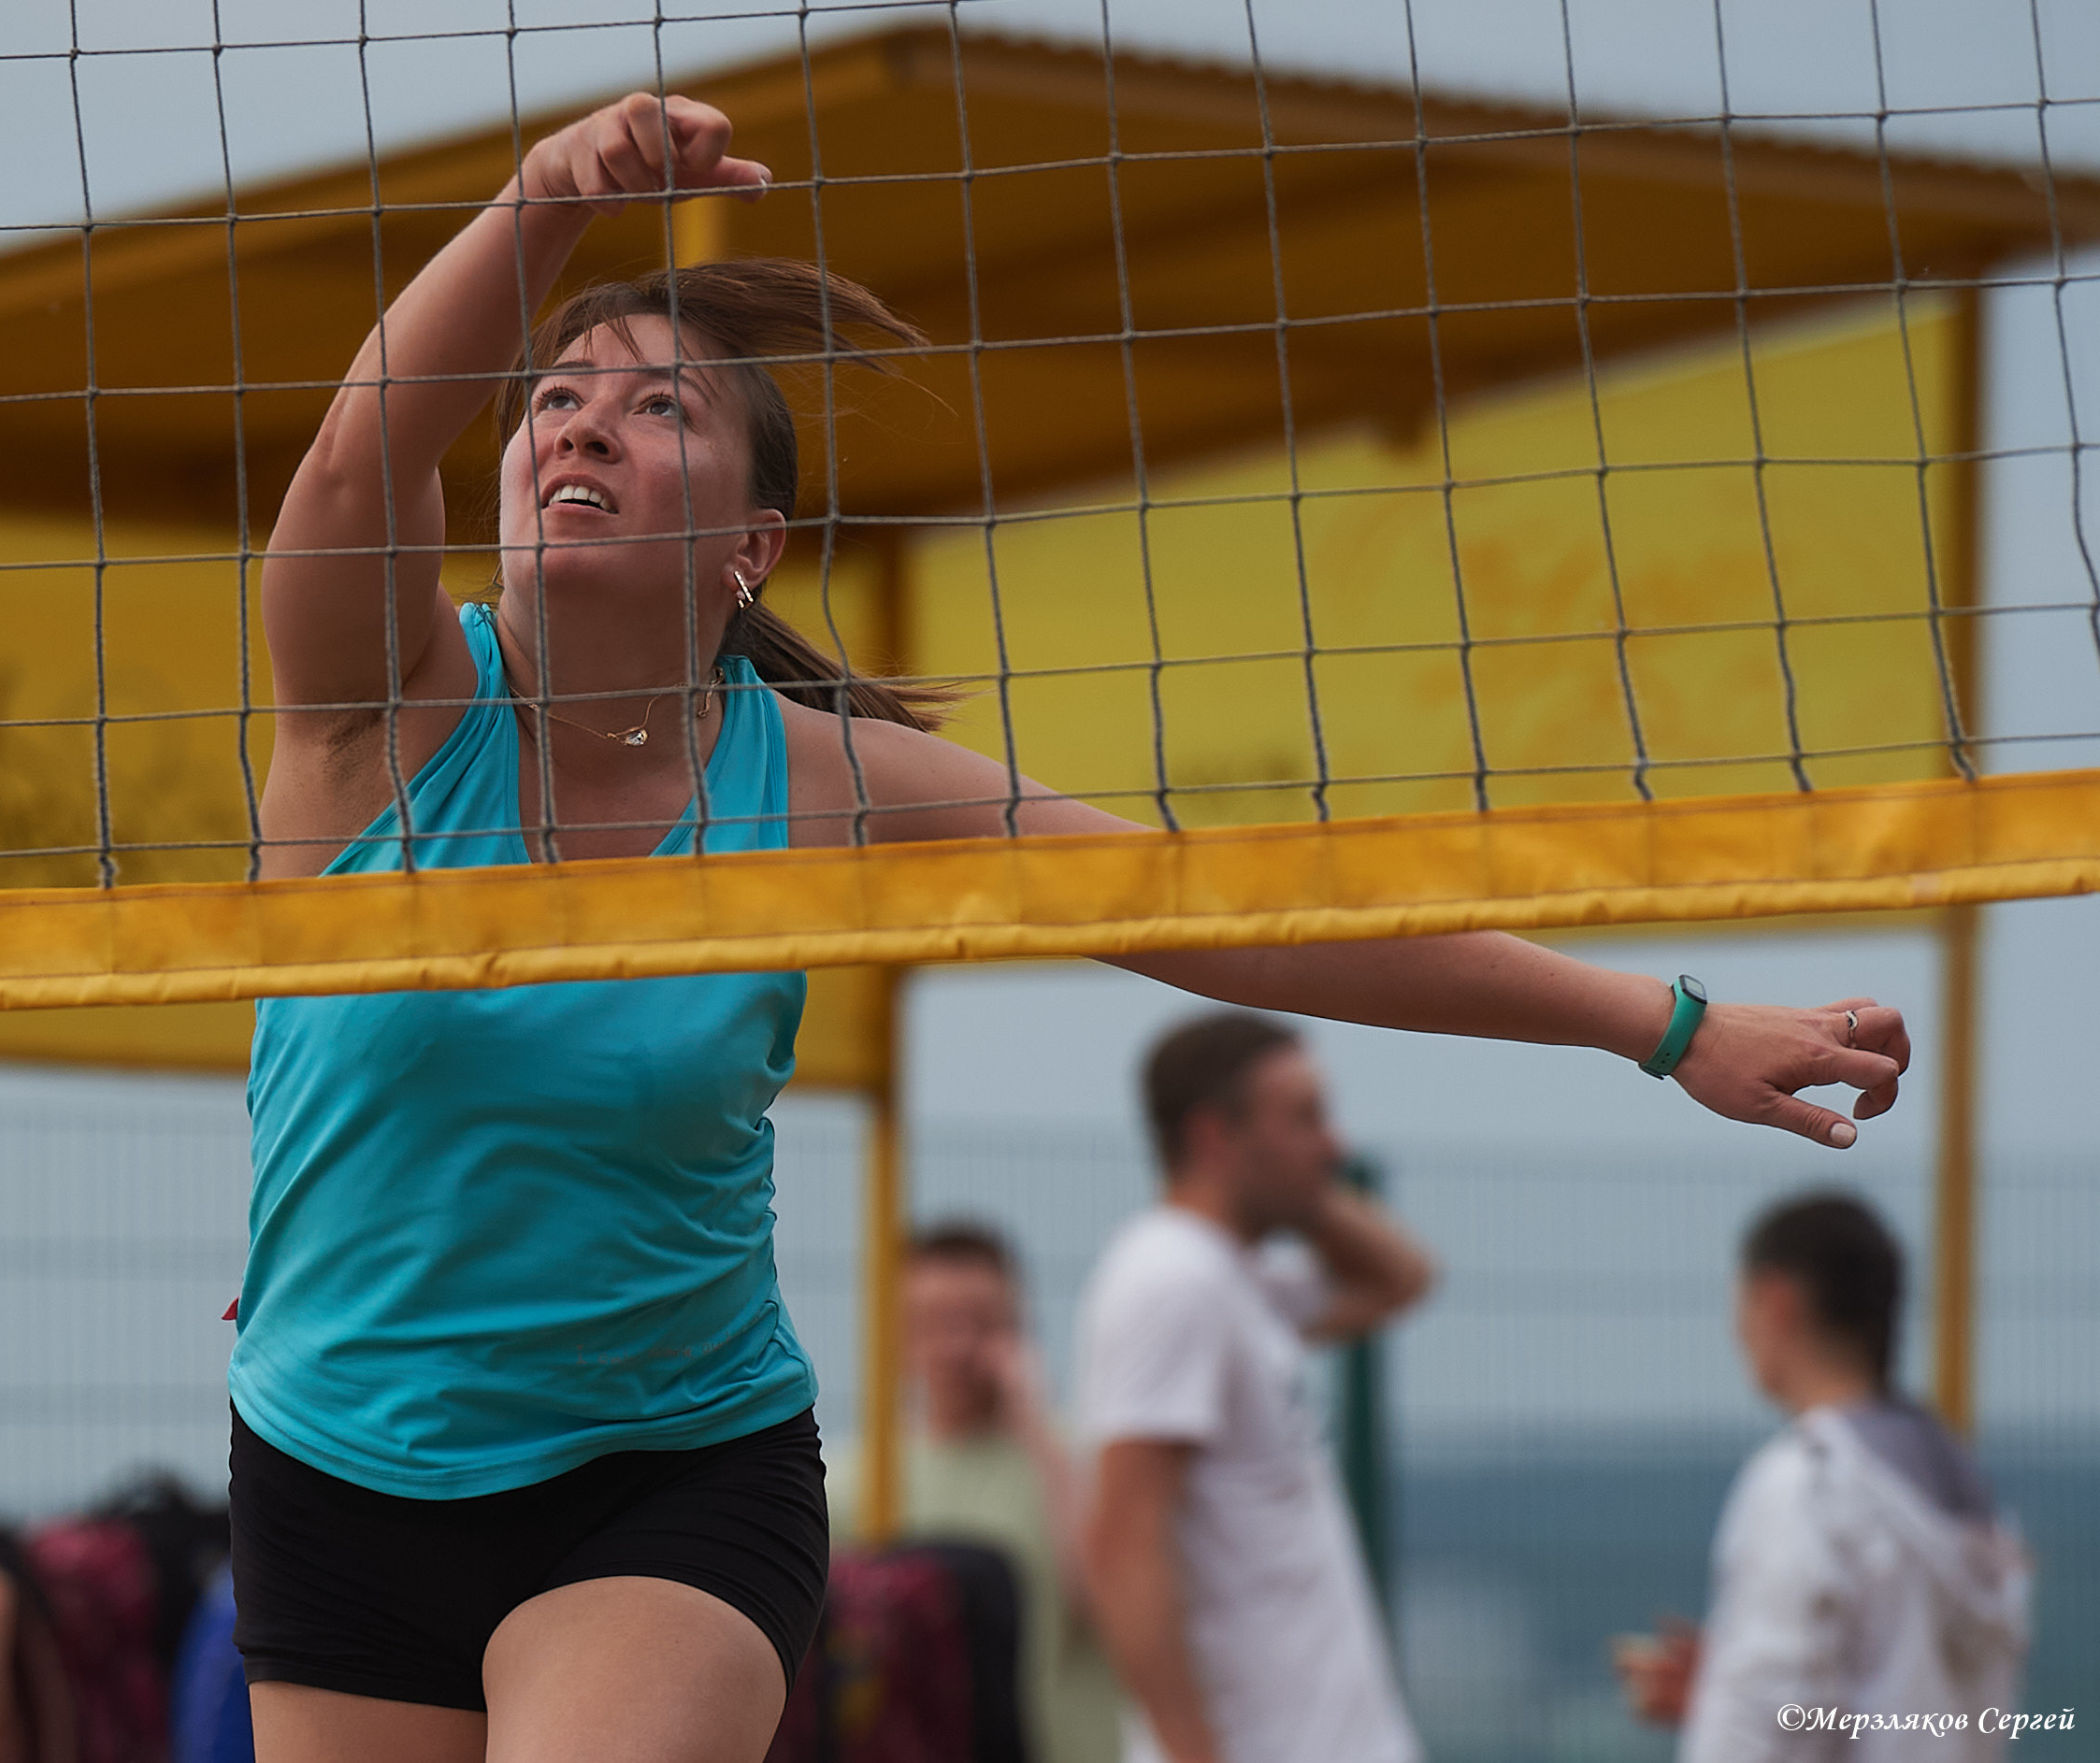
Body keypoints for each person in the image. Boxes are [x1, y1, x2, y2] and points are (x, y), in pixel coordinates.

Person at [226, 87, 1913, 1763]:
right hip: (336, 1463)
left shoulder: (826, 782)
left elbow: (1233, 919)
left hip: (665, 1474)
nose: (580, 425)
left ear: (750, 547)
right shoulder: (380, 708)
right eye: (555, 396)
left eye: (656, 407)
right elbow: (353, 451)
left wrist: (1664, 1021)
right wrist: (549, 195)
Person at [1076, 1011, 1433, 1763]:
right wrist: (1191, 1753)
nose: (1334, 1144)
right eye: (1305, 1117)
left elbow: (1401, 1279)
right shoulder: (1172, 1280)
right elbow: (1124, 1544)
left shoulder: (1229, 1276)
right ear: (1214, 1136)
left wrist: (1304, 1187)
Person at [1616, 1193, 2031, 1760]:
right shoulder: (1959, 1489)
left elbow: (1767, 1731)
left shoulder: (1803, 1485)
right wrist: (1720, 1693)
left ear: (1775, 1302)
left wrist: (1733, 1710)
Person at [827, 1223, 1124, 1763]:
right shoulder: (853, 1482)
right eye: (933, 1323)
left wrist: (1035, 1422)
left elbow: (1115, 1608)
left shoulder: (1076, 1461)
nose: (958, 1345)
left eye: (983, 1323)